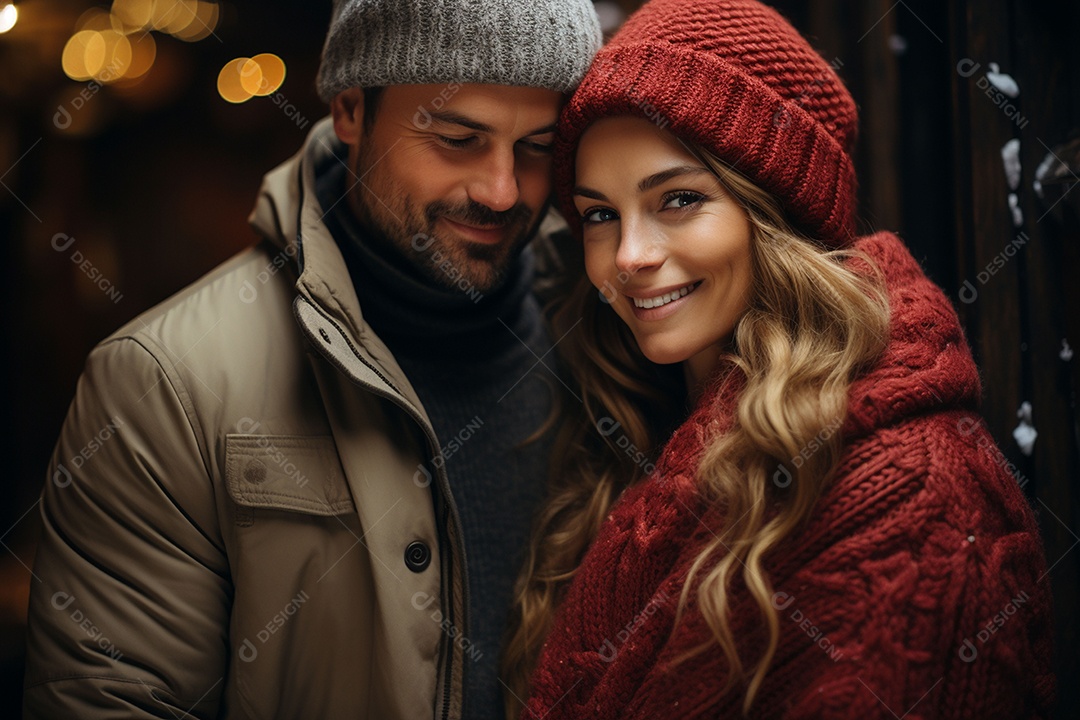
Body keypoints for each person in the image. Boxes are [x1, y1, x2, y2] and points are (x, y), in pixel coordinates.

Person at [23, 1, 601, 718]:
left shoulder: (608, 347)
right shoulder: (162, 381)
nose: (501, 190)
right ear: (352, 111)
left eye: (537, 148)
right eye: (457, 138)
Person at [501, 1, 1055, 718]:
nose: (629, 257)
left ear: (775, 217)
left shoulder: (917, 501)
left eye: (677, 199)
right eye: (600, 214)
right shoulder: (631, 428)